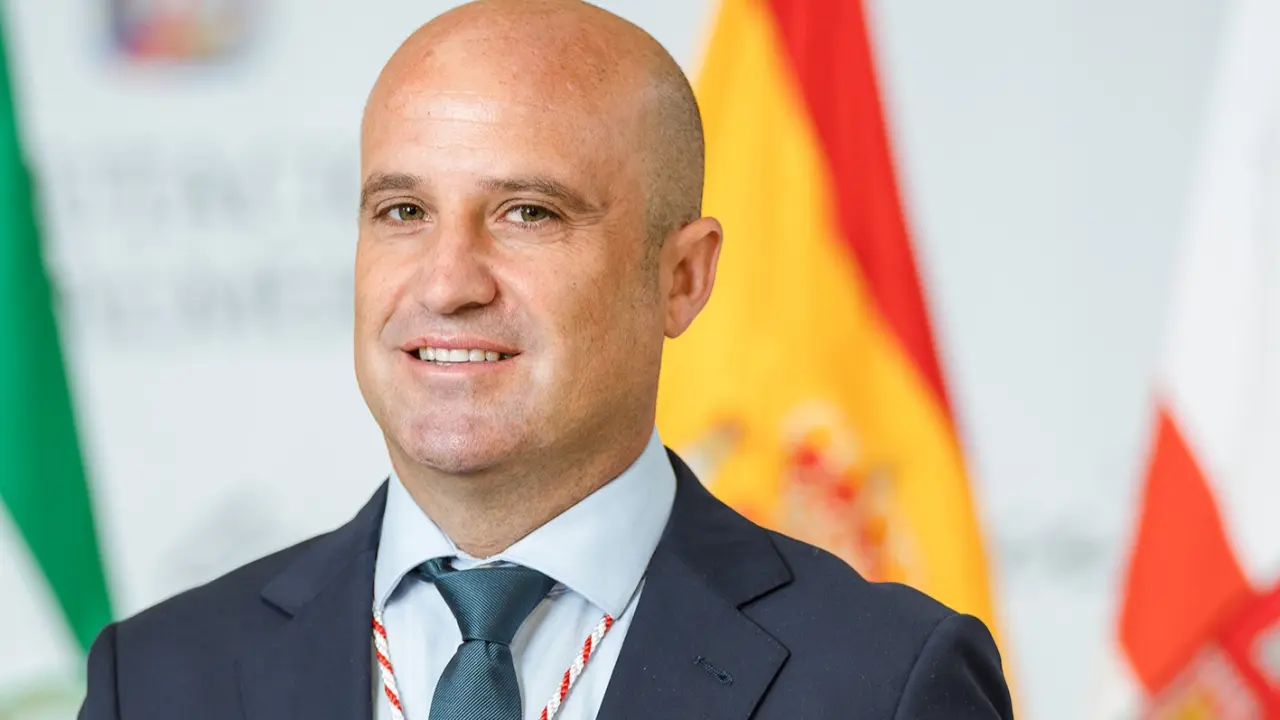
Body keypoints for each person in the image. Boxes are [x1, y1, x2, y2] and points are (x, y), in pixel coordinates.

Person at [78, 1, 1014, 718]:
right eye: (403, 212)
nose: (448, 282)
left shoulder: (883, 682)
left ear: (682, 278)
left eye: (529, 213)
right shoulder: (157, 679)